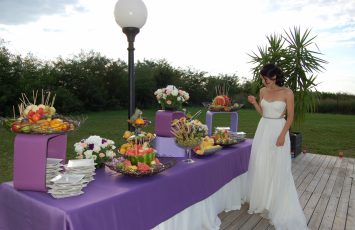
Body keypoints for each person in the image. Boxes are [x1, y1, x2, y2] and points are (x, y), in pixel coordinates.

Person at [246, 63, 308, 229]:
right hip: (264, 129)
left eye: (267, 78)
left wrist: (282, 135)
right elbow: (263, 112)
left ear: (275, 76)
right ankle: (262, 200)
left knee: (278, 167)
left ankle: (276, 202)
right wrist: (254, 103)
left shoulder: (287, 92)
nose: (265, 81)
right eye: (263, 78)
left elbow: (290, 117)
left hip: (278, 130)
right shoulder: (262, 91)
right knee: (262, 164)